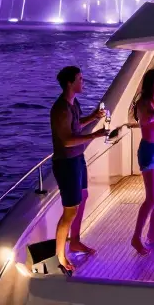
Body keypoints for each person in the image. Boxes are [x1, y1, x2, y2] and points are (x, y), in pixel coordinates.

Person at [50, 66, 110, 272]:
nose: (83, 82)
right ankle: (60, 257)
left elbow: (75, 125)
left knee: (83, 197)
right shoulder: (60, 109)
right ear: (70, 83)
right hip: (66, 163)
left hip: (77, 159)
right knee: (69, 212)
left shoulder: (74, 104)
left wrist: (93, 117)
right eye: (80, 79)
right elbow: (66, 140)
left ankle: (74, 240)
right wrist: (95, 135)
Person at [130, 69, 154, 254]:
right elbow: (148, 119)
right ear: (153, 82)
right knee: (152, 197)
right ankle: (136, 237)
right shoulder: (143, 103)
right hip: (149, 151)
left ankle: (152, 234)